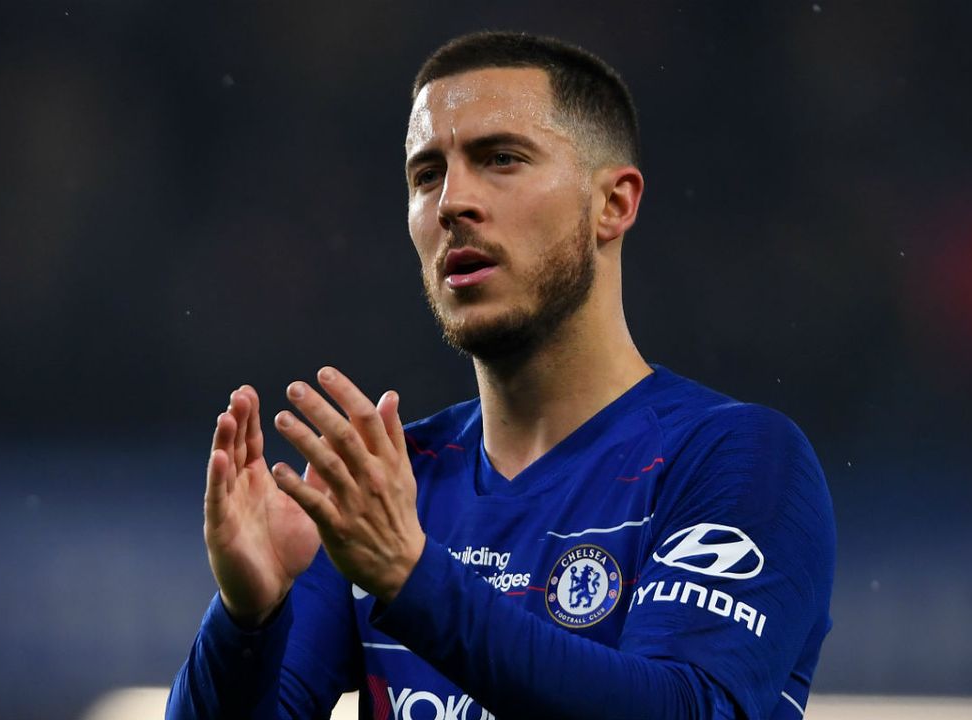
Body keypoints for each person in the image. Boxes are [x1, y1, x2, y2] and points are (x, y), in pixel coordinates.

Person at [167, 31, 835, 720]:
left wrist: (412, 579)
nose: (452, 201)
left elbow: (687, 709)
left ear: (614, 203)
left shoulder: (734, 460)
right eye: (426, 174)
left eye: (501, 159)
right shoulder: (387, 487)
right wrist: (247, 618)